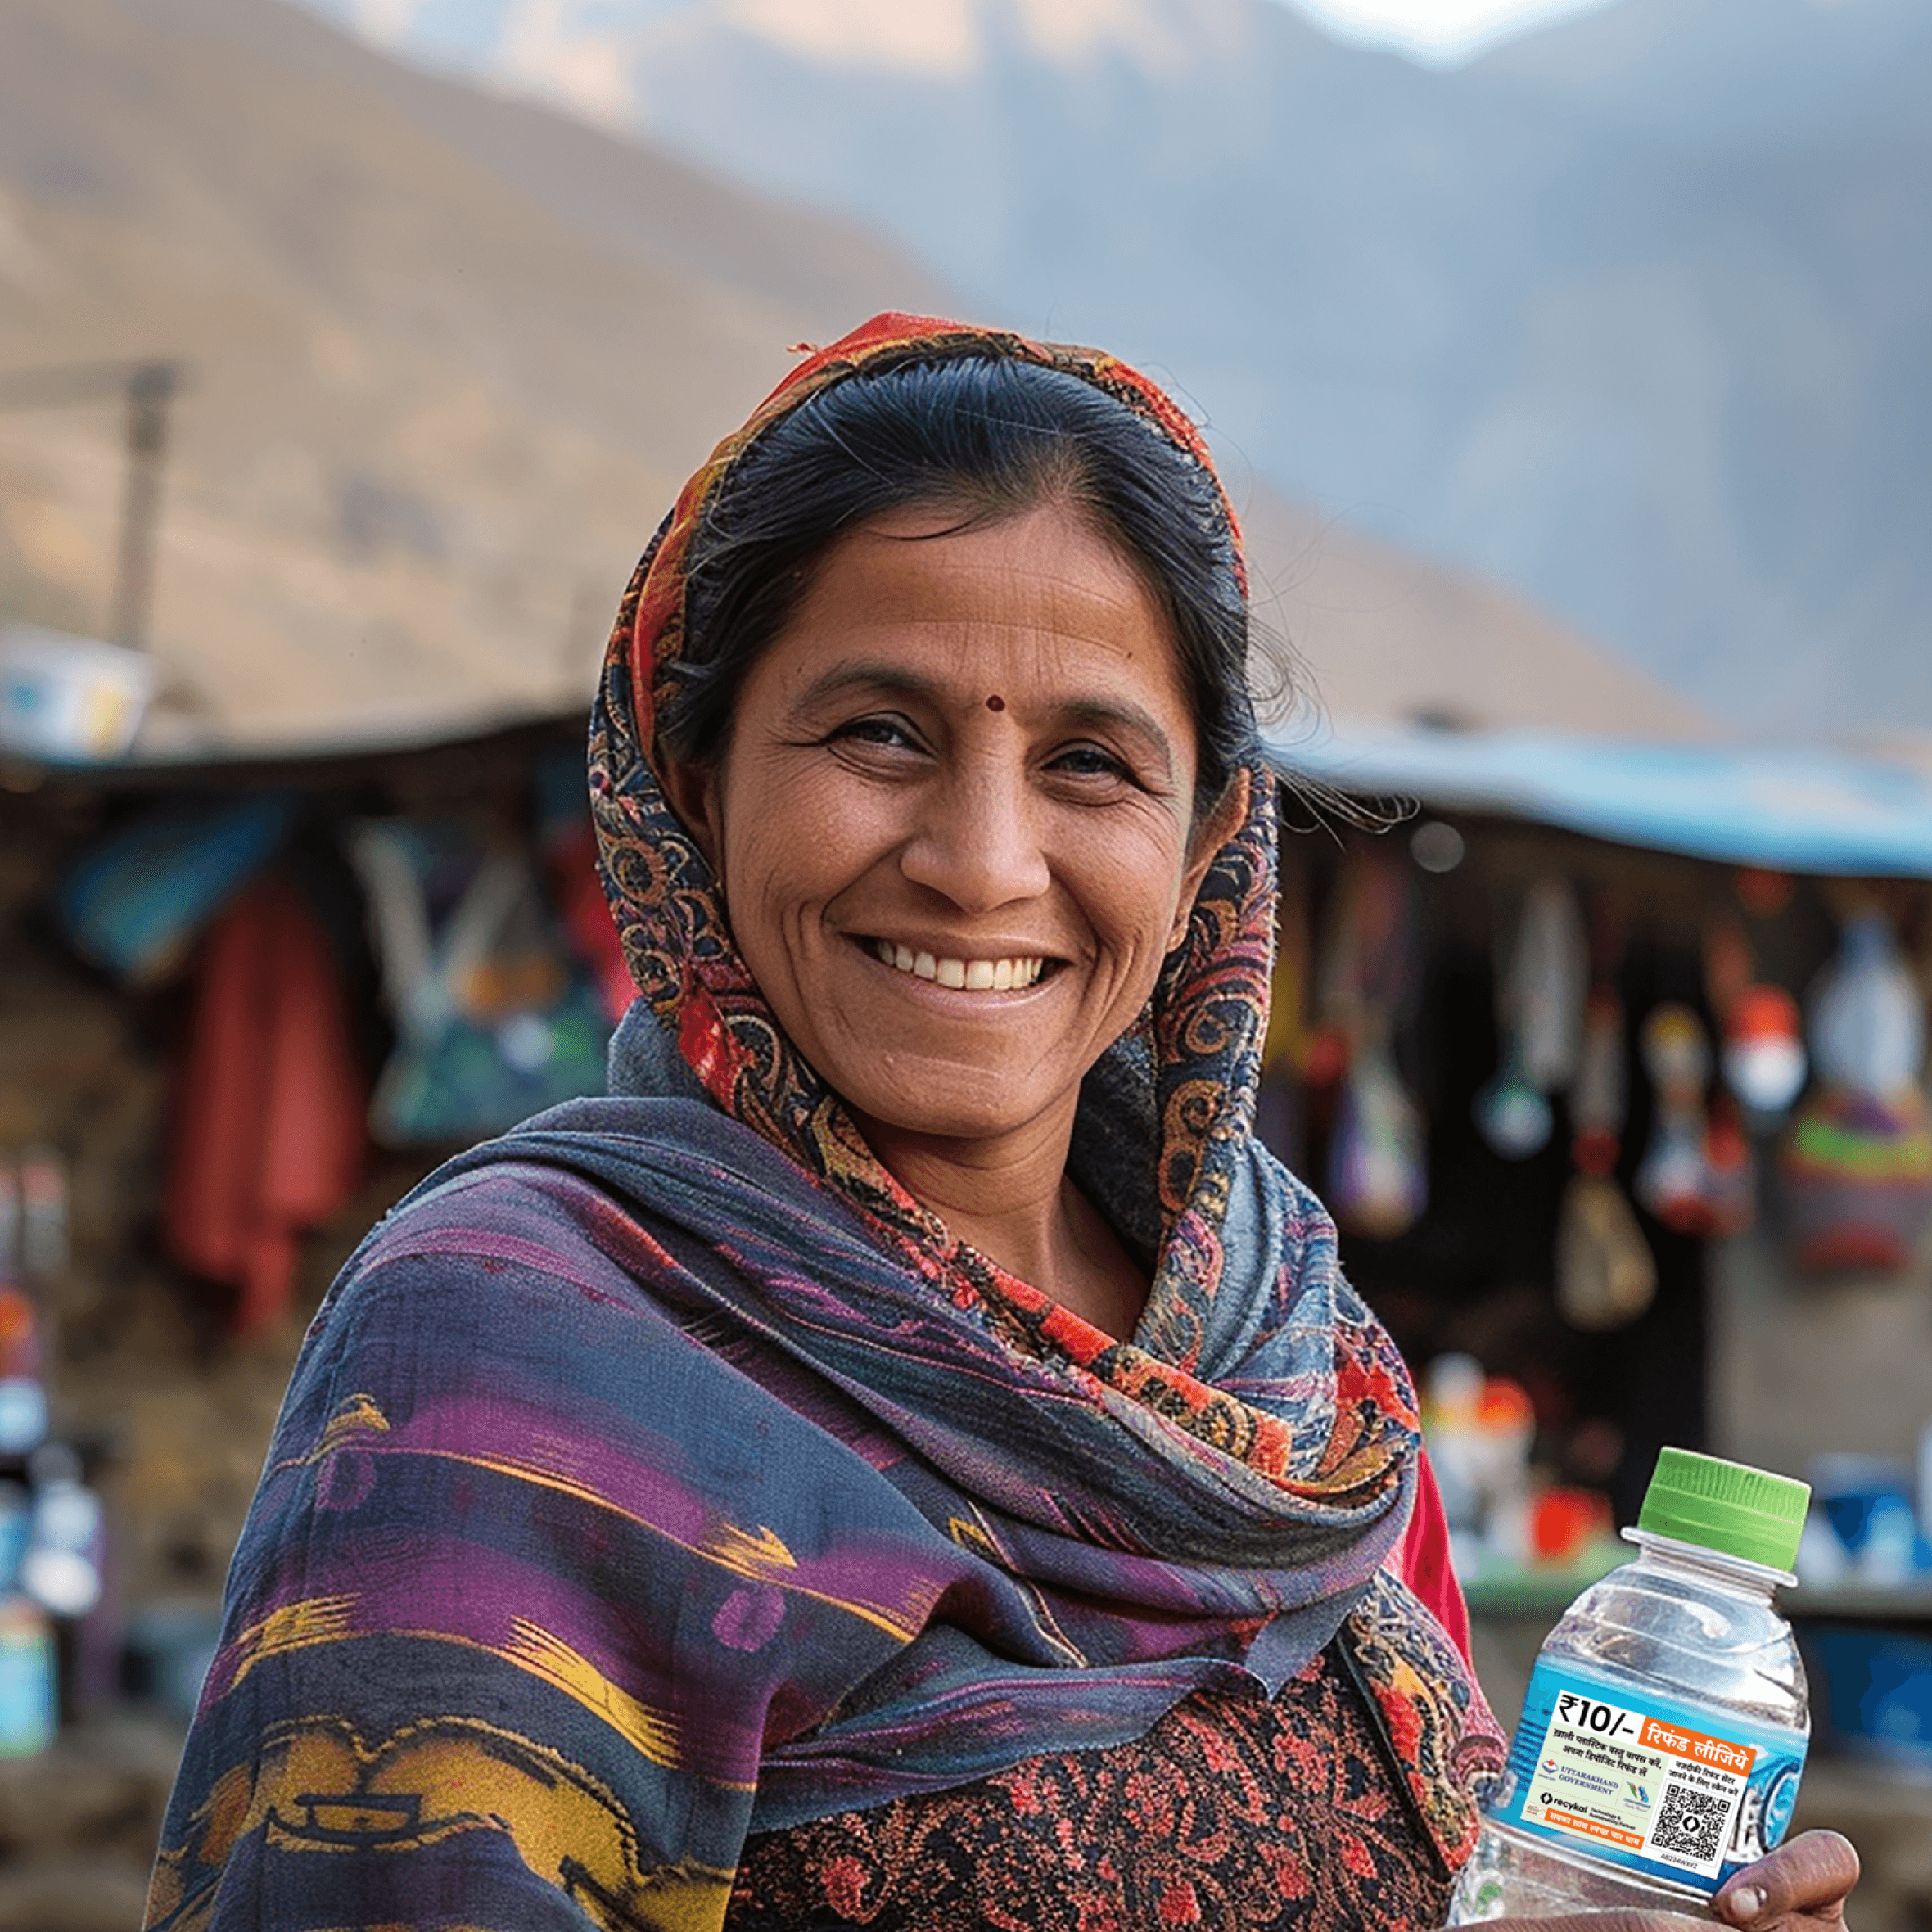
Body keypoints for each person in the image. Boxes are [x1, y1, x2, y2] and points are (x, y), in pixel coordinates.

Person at [145, 314, 1858, 1932]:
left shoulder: (1294, 1359)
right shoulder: (520, 1343)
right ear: (690, 780)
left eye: (1090, 762)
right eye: (877, 731)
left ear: (1203, 855)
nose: (979, 860)